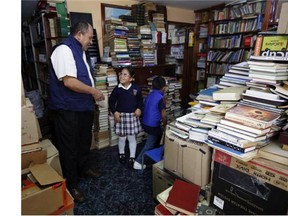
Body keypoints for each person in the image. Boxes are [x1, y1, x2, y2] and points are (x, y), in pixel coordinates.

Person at [48, 21, 104, 203]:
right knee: (69, 147)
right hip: (68, 109)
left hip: (83, 107)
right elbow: (69, 82)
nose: (90, 41)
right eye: (89, 38)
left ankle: (83, 168)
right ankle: (71, 184)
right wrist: (94, 91)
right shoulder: (64, 50)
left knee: (83, 142)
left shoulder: (81, 52)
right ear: (79, 35)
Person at [109, 67, 143, 169]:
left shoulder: (136, 88)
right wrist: (114, 112)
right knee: (122, 137)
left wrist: (139, 108)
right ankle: (121, 153)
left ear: (131, 78)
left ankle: (132, 156)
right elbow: (111, 101)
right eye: (121, 74)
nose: (122, 76)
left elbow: (140, 100)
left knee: (132, 137)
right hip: (121, 116)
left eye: (125, 74)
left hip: (132, 116)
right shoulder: (117, 89)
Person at [133, 76, 167, 170]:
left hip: (144, 123)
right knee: (151, 143)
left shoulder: (150, 94)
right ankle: (138, 162)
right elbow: (163, 115)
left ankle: (155, 157)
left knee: (158, 138)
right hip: (153, 125)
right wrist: (166, 125)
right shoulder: (161, 98)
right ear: (164, 87)